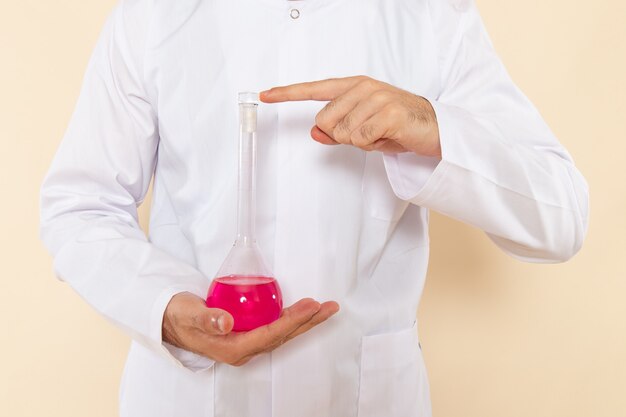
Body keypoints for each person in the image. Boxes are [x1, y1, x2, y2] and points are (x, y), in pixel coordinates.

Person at [39, 0, 589, 416]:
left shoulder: (430, 14)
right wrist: (163, 310)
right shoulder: (155, 14)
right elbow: (80, 204)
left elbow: (561, 218)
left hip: (369, 396)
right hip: (188, 397)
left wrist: (431, 126)